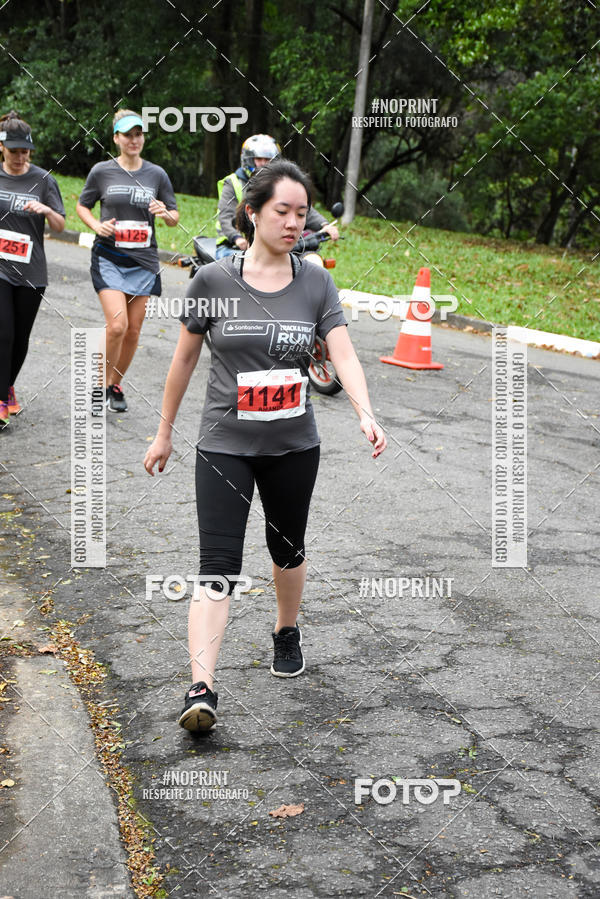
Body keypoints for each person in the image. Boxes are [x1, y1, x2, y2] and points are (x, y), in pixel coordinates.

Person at [144, 158, 386, 733]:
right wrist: (164, 432)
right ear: (251, 213)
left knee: (287, 549)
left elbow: (343, 353)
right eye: (283, 211)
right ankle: (200, 688)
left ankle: (285, 628)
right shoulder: (213, 281)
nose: (295, 223)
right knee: (217, 565)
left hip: (293, 444)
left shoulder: (316, 280)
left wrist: (365, 412)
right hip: (225, 442)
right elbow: (183, 361)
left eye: (302, 213)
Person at [76, 109, 179, 413]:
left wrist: (165, 213)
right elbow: (83, 206)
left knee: (134, 331)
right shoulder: (101, 171)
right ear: (116, 138)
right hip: (109, 257)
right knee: (117, 325)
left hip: (144, 261)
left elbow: (174, 217)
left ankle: (114, 384)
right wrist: (96, 225)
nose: (134, 140)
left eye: (139, 134)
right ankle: (98, 386)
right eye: (127, 135)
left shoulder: (157, 174)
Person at [0, 110, 65, 426]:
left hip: (31, 272)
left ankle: (7, 387)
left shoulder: (43, 180)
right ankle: (0, 399)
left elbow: (61, 224)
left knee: (21, 337)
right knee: (4, 332)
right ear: (2, 147)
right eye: (14, 151)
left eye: (25, 152)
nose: (19, 157)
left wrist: (45, 209)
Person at [215, 133, 339, 259]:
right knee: (239, 268)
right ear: (248, 159)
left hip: (272, 245)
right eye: (259, 159)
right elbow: (225, 217)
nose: (263, 163)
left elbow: (300, 206)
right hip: (232, 244)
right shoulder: (233, 182)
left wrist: (324, 225)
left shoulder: (281, 184)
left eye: (268, 160)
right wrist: (237, 239)